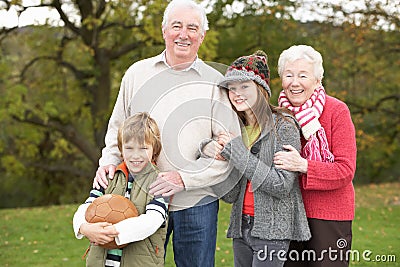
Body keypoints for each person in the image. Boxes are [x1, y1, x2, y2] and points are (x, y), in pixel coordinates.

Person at [92, 0, 239, 266]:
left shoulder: (217, 83)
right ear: (164, 30)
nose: (184, 34)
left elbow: (230, 152)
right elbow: (117, 130)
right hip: (137, 198)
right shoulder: (136, 74)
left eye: (192, 28)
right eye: (177, 26)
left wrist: (182, 179)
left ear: (202, 35)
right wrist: (108, 163)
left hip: (196, 202)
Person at [204, 50, 311, 267]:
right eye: (232, 88)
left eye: (244, 86)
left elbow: (282, 185)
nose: (236, 93)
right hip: (240, 228)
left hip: (273, 230)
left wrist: (239, 154)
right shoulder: (237, 130)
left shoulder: (284, 126)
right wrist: (215, 158)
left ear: (260, 89)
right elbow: (231, 194)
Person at [273, 45, 357, 267]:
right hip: (289, 216)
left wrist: (304, 165)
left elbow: (345, 170)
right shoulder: (278, 115)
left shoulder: (337, 111)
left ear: (317, 80)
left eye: (303, 75)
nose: (295, 82)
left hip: (328, 216)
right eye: (288, 75)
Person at [73, 112, 168, 266]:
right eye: (129, 148)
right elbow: (85, 208)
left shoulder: (159, 182)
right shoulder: (108, 177)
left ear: (154, 149)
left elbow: (153, 220)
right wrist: (84, 228)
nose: (135, 155)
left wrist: (113, 232)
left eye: (143, 148)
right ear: (121, 150)